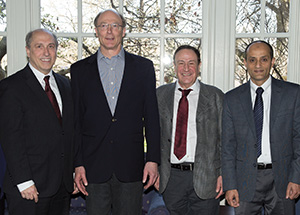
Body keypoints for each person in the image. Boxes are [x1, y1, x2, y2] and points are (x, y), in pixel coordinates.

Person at [71, 9, 160, 214]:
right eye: (104, 25)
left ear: (123, 31)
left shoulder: (143, 68)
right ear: (96, 31)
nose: (109, 31)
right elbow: (75, 122)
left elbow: (152, 118)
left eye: (115, 26)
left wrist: (153, 160)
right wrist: (78, 164)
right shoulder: (79, 70)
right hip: (93, 167)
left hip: (131, 165)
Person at [0, 29, 75, 215]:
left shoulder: (65, 85)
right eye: (39, 46)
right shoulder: (11, 87)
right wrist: (24, 181)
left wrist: (72, 173)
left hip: (61, 187)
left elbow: (68, 133)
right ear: (28, 50)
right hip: (28, 188)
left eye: (51, 46)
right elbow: (11, 139)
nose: (46, 52)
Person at [222, 40, 300, 214]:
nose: (258, 65)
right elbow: (227, 146)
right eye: (252, 60)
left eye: (263, 59)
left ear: (272, 62)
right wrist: (230, 185)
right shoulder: (231, 99)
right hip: (244, 181)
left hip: (283, 179)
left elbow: (298, 140)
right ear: (245, 63)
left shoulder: (293, 94)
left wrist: (297, 178)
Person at [155, 45, 223, 214]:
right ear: (174, 65)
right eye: (181, 63)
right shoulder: (160, 95)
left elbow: (226, 139)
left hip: (207, 176)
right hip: (171, 178)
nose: (186, 69)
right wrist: (154, 168)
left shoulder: (215, 96)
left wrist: (223, 174)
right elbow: (152, 136)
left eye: (191, 63)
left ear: (199, 66)